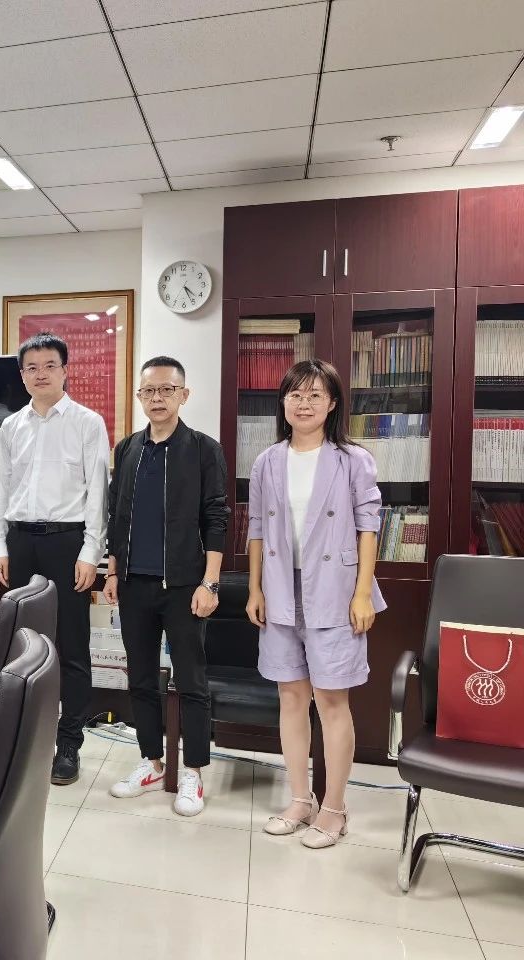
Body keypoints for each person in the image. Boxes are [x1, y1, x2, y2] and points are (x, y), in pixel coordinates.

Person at [246, 359, 385, 849]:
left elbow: (369, 527)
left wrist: (362, 592)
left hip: (336, 591)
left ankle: (334, 808)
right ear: (283, 403)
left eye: (314, 395)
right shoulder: (267, 461)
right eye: (295, 395)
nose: (303, 404)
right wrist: (255, 589)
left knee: (331, 700)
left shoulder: (352, 460)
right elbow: (257, 530)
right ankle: (300, 799)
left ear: (332, 404)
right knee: (290, 697)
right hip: (282, 590)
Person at [102, 357, 228, 817]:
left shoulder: (203, 449)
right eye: (149, 391)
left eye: (166, 390)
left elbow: (217, 517)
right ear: (140, 397)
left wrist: (210, 582)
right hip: (134, 583)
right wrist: (112, 572)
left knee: (191, 680)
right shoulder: (128, 449)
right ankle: (151, 762)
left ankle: (192, 770)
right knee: (139, 677)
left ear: (183, 395)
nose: (157, 398)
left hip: (185, 586)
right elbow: (117, 517)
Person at [0, 333, 108, 787]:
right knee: (22, 646)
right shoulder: (10, 426)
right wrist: (0, 545)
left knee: (72, 648)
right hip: (21, 542)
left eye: (49, 365)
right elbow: (2, 490)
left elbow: (97, 494)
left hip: (67, 543)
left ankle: (69, 743)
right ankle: (24, 737)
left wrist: (91, 552)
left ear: (65, 370)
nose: (40, 374)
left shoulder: (87, 422)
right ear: (22, 375)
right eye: (31, 367)